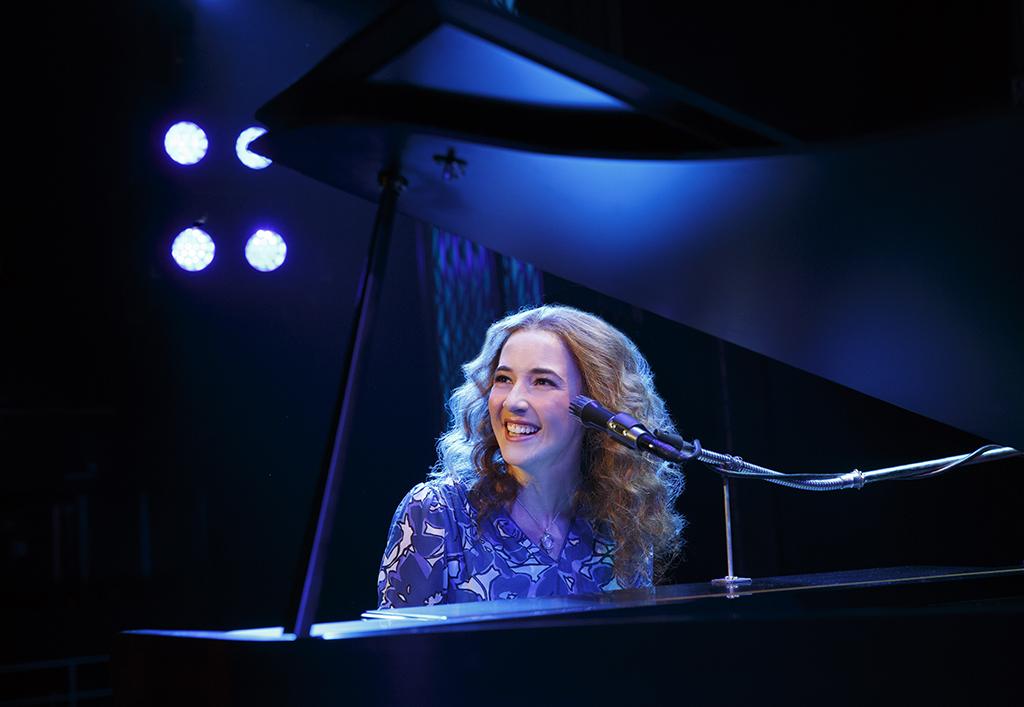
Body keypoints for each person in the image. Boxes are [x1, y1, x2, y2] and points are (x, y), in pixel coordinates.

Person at [376, 305, 685, 608]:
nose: (513, 401)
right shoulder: (438, 511)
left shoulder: (620, 518)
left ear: (598, 402)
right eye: (503, 379)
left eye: (542, 381)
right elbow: (400, 654)